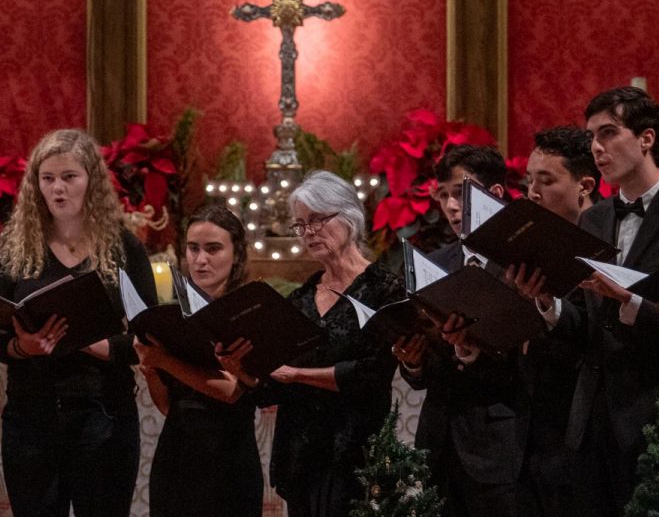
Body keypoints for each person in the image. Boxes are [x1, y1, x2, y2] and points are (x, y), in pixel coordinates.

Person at [512, 87, 659, 515]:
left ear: (646, 138)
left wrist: (630, 301)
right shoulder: (594, 219)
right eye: (591, 137)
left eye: (609, 133)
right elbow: (586, 325)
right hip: (592, 420)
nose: (597, 148)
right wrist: (548, 303)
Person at [0, 129, 157, 517]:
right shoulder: (15, 250)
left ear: (91, 181)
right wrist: (22, 346)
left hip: (103, 414)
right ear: (36, 186)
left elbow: (147, 337)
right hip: (32, 415)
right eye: (47, 179)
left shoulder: (123, 248)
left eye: (69, 177)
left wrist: (84, 341)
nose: (58, 188)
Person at [219, 170, 402, 517]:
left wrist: (297, 374)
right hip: (301, 458)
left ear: (349, 217)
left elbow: (371, 374)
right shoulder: (300, 299)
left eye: (317, 220)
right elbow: (271, 388)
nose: (308, 233)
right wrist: (242, 370)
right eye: (301, 225)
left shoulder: (384, 289)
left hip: (357, 455)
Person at [392, 144, 532, 517]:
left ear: (495, 194)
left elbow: (533, 362)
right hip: (439, 443)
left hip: (500, 442)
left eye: (462, 193)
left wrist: (470, 351)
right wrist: (414, 363)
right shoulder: (435, 264)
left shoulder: (520, 265)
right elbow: (426, 371)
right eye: (444, 195)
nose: (451, 206)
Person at [133, 205, 263, 517]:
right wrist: (151, 370)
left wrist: (164, 361)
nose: (200, 260)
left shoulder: (250, 311)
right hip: (176, 458)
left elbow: (232, 392)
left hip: (229, 461)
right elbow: (168, 406)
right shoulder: (174, 314)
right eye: (193, 249)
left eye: (213, 249)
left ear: (237, 254)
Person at [511, 125, 601, 516]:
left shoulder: (603, 245)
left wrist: (547, 304)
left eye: (546, 180)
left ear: (584, 186)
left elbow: (594, 335)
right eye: (530, 180)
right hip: (526, 433)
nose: (533, 191)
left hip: (581, 431)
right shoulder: (523, 242)